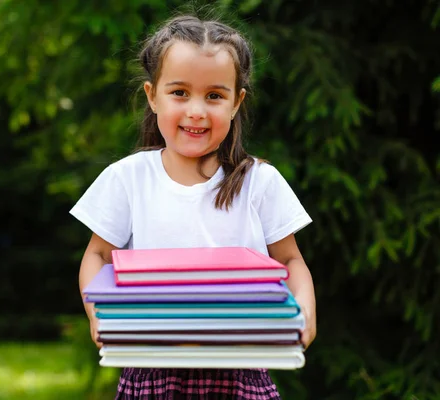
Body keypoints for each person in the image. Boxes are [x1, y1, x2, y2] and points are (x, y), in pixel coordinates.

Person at [70, 14, 316, 400]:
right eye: (180, 92)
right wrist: (98, 314)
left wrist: (304, 309)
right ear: (152, 96)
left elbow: (290, 262)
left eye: (215, 96)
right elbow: (98, 255)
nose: (196, 110)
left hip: (242, 370)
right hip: (151, 370)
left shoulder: (260, 182)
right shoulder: (127, 178)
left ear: (237, 103)